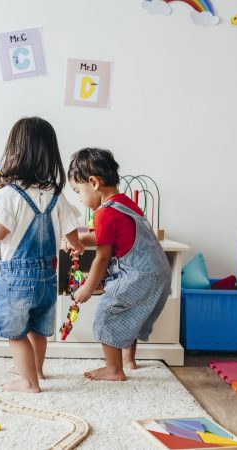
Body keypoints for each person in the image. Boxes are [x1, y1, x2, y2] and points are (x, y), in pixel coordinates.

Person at [0, 117, 84, 393]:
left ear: (15, 152)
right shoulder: (56, 194)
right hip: (48, 277)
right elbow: (73, 237)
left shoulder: (10, 194)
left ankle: (28, 382)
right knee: (38, 329)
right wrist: (73, 245)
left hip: (17, 279)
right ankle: (38, 371)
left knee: (16, 333)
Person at [67, 148, 171, 381]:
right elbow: (113, 237)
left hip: (138, 274)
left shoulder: (103, 214)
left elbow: (102, 257)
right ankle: (128, 360)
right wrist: (81, 239)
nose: (80, 200)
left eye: (78, 192)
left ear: (93, 183)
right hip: (159, 272)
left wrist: (87, 287)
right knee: (130, 315)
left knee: (108, 314)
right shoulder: (125, 204)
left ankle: (114, 370)